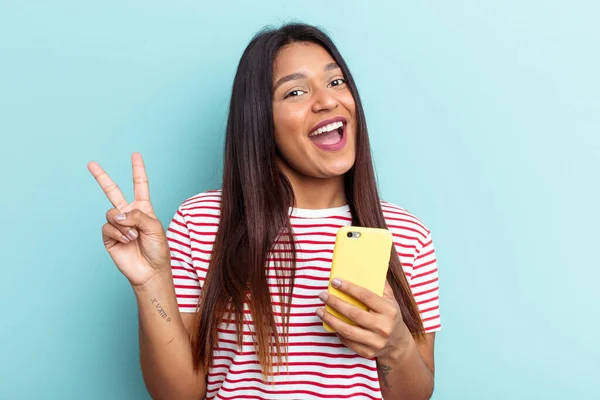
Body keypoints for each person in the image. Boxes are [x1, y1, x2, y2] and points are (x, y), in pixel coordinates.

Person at [88, 23, 441, 400]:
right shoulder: (202, 221)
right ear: (260, 121)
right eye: (295, 91)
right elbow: (179, 395)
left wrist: (396, 347)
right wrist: (150, 282)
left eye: (336, 82)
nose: (326, 101)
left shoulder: (406, 233)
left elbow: (415, 395)